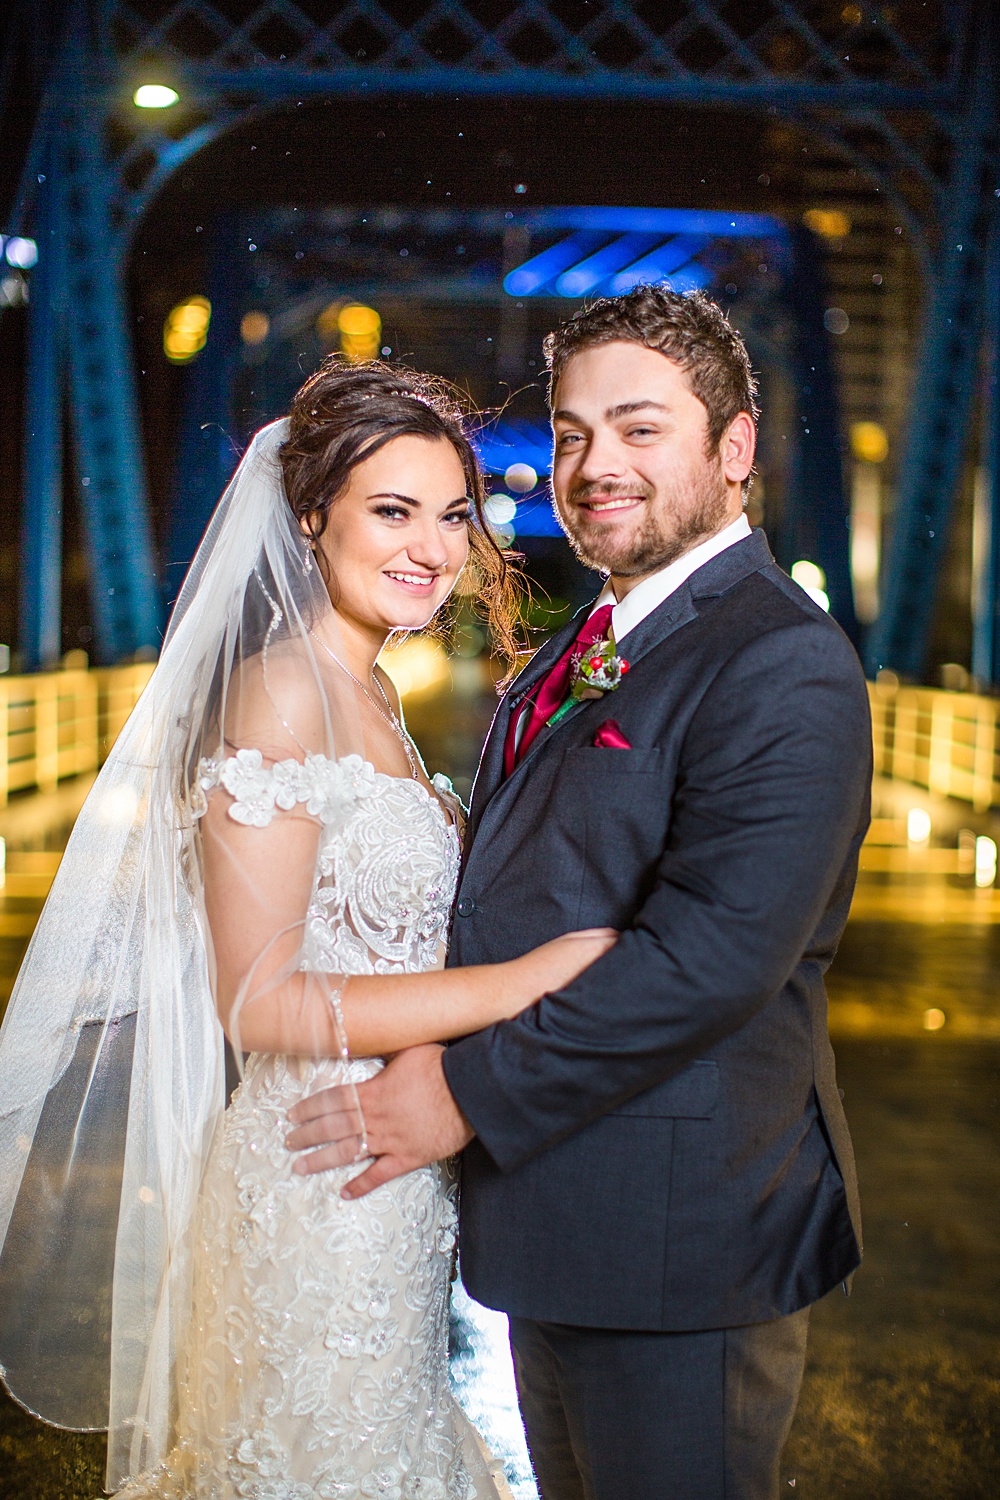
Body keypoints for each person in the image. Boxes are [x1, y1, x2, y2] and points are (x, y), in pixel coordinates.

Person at [287, 287, 874, 1500]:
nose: (594, 464)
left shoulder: (782, 660)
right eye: (569, 432)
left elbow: (710, 959)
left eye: (639, 427)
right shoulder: (580, 642)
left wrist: (460, 1089)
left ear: (734, 448)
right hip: (560, 1219)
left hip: (679, 1239)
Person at [0, 360, 614, 1499]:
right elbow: (262, 999)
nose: (431, 547)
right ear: (309, 518)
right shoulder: (284, 692)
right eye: (392, 511)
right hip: (314, 1175)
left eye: (451, 515)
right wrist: (525, 983)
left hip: (387, 1180)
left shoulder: (369, 687)